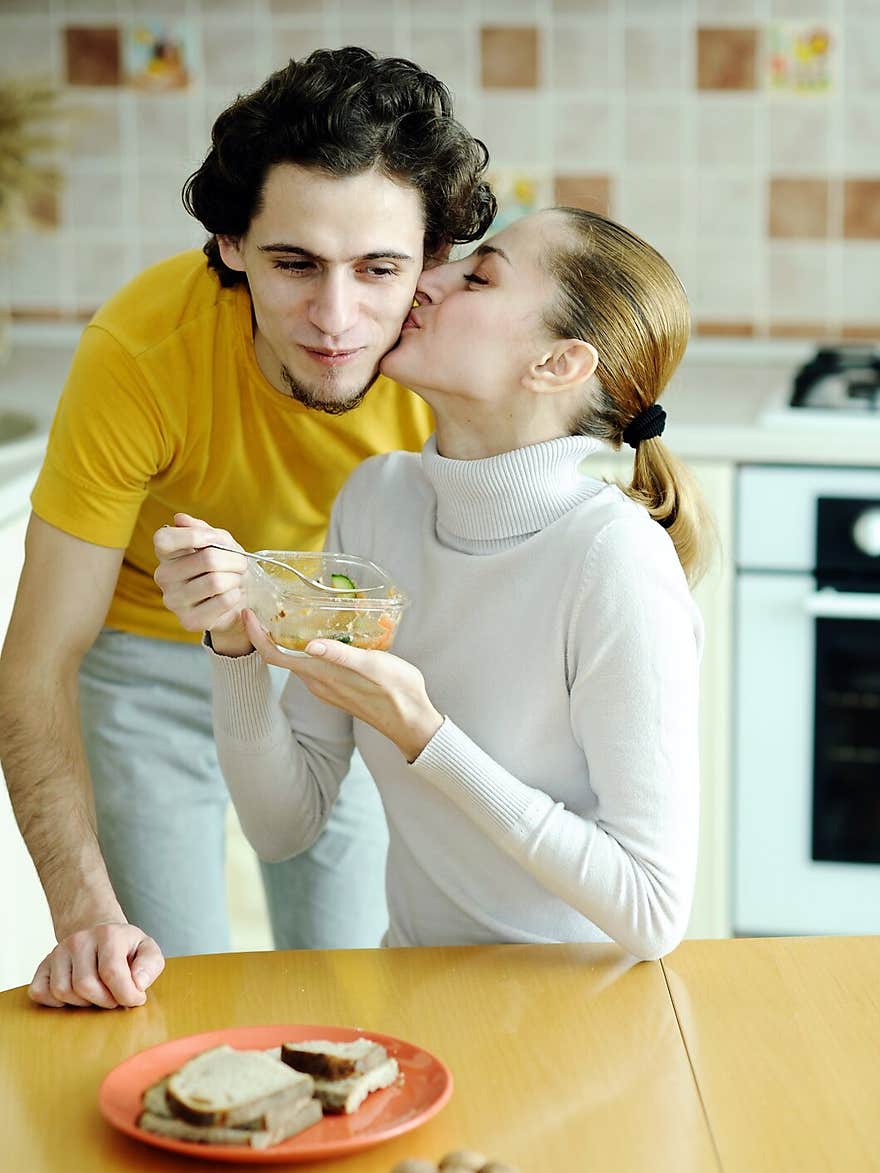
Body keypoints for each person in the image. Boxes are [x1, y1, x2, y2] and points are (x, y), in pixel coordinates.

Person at [0, 47, 495, 1011]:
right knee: (164, 993)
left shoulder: (448, 370)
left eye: (379, 269)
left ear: (432, 262)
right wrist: (83, 914)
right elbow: (35, 659)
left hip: (333, 663)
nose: (337, 319)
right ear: (230, 244)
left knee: (350, 989)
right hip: (149, 663)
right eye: (294, 263)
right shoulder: (141, 355)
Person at [155, 208, 714, 963]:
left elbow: (652, 912)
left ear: (558, 364)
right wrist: (233, 642)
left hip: (579, 1011)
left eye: (478, 277)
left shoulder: (614, 563)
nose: (426, 279)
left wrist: (426, 735)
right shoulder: (379, 500)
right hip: (415, 986)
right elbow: (283, 825)